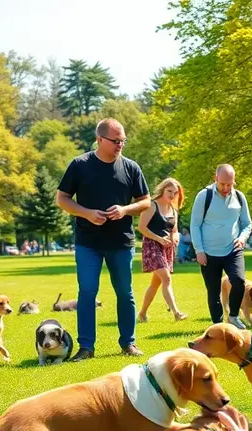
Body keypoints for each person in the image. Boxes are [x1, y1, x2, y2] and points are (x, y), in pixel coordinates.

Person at [56, 118, 150, 361]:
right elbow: (62, 198)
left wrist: (125, 210)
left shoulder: (131, 168)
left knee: (125, 293)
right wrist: (86, 213)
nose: (120, 145)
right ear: (99, 139)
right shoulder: (79, 165)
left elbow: (146, 201)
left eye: (123, 141)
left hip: (121, 241)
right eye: (115, 141)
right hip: (88, 242)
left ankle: (128, 343)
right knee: (87, 292)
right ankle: (86, 347)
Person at [189, 163, 252, 329]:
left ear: (234, 181)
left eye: (229, 184)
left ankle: (233, 316)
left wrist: (242, 238)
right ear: (215, 178)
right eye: (222, 184)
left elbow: (247, 223)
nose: (225, 188)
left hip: (233, 249)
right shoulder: (204, 196)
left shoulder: (239, 197)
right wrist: (199, 250)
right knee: (214, 291)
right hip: (208, 252)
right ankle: (217, 325)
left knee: (239, 281)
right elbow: (195, 225)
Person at [138, 178, 188, 323]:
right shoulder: (151, 205)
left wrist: (174, 238)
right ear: (162, 190)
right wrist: (159, 239)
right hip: (152, 247)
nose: (172, 195)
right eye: (169, 191)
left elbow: (174, 230)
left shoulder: (173, 210)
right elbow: (142, 228)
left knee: (156, 283)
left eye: (175, 192)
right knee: (166, 278)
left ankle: (142, 313)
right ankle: (177, 313)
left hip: (166, 248)